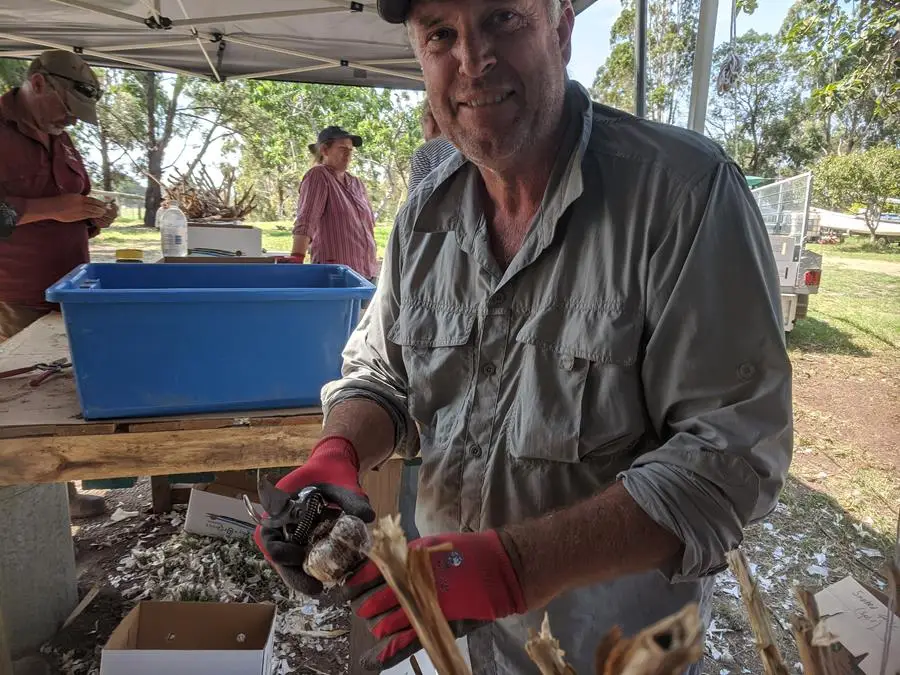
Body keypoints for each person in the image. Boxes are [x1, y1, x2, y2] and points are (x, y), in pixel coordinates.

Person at [256, 0, 792, 672]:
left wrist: (521, 565)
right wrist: (338, 449)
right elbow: (384, 373)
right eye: (441, 34)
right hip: (454, 645)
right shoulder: (425, 213)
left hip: (612, 654)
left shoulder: (683, 194)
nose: (472, 61)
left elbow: (732, 456)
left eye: (503, 18)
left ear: (561, 28)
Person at [0, 50, 116, 518]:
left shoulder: (62, 139)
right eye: (67, 108)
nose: (70, 120)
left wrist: (92, 217)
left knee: (63, 391)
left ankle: (62, 498)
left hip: (71, 288)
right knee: (25, 403)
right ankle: (32, 513)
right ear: (38, 83)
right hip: (16, 293)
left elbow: (70, 206)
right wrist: (53, 209)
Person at [292, 125, 379, 283]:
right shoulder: (319, 176)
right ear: (324, 150)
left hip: (366, 273)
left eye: (350, 150)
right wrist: (296, 260)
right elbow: (306, 221)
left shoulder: (357, 183)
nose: (348, 155)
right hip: (336, 275)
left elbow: (367, 227)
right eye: (342, 149)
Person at [408, 100, 457, 193]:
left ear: (430, 122)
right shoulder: (472, 148)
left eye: (423, 122)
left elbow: (415, 201)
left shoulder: (424, 153)